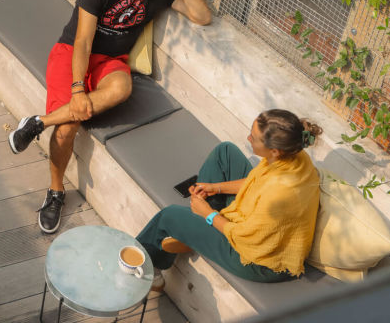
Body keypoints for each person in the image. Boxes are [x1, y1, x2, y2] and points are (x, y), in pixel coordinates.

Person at [7, 0, 211, 233]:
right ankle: (55, 191)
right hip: (73, 53)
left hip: (110, 61)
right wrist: (78, 89)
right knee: (67, 128)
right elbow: (83, 40)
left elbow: (202, 16)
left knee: (122, 88)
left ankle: (38, 122)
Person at [136, 109, 322, 289]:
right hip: (255, 227)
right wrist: (215, 188)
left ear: (274, 151)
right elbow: (256, 182)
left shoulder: (279, 194)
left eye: (253, 138)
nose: (248, 138)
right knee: (225, 152)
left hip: (260, 260)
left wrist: (207, 214)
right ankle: (194, 233)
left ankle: (146, 273)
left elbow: (245, 237)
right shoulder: (295, 155)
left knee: (169, 216)